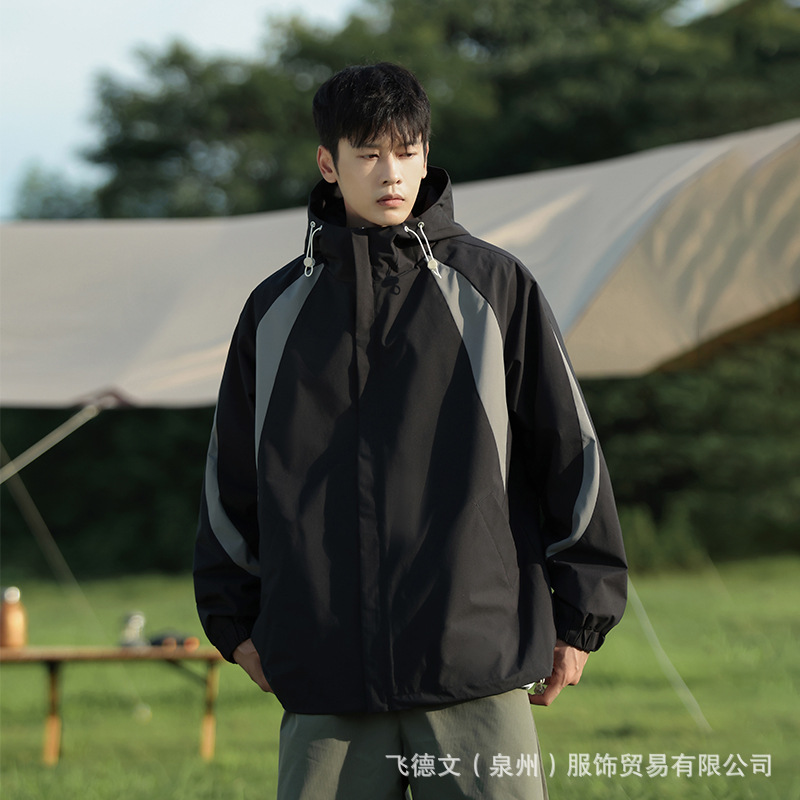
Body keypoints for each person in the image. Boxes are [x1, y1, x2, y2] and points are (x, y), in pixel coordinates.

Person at [194, 62, 627, 799]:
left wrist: (579, 617)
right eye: (368, 154)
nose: (391, 173)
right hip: (326, 676)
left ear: (427, 156)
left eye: (407, 151)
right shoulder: (273, 311)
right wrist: (234, 623)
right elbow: (230, 477)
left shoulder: (495, 287)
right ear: (328, 164)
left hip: (475, 667)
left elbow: (571, 455)